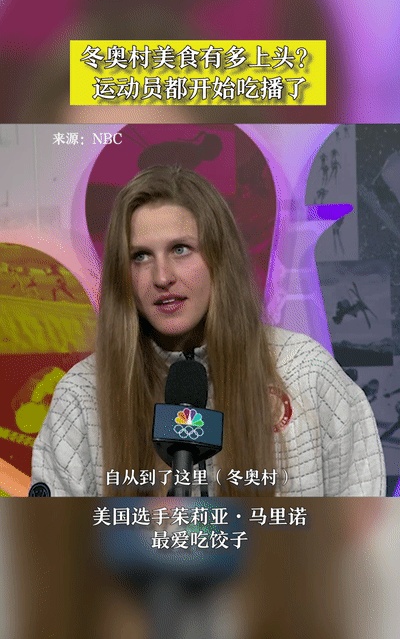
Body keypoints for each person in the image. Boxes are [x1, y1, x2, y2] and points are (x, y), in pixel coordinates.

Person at [30, 166, 386, 497]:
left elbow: (364, 533)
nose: (162, 277)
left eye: (180, 249)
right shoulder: (82, 394)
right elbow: (51, 541)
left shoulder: (306, 372)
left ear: (220, 258)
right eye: (140, 256)